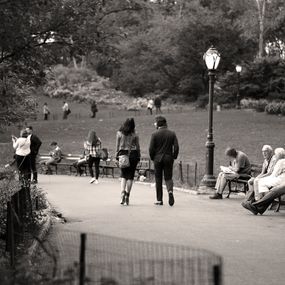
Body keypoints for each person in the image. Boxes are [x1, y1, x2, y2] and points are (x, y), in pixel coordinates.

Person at [149, 116, 179, 206]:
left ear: (158, 124)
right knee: (168, 177)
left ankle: (159, 200)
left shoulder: (154, 134)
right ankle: (170, 191)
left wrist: (152, 157)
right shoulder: (172, 133)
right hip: (168, 158)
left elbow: (151, 148)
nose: (154, 124)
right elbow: (176, 147)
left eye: (155, 122)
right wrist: (174, 156)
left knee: (158, 178)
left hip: (157, 159)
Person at [116, 118, 141, 205]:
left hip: (122, 154)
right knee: (130, 176)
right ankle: (127, 195)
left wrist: (117, 155)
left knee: (123, 175)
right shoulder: (135, 134)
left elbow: (117, 146)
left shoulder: (119, 133)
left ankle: (122, 192)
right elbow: (138, 146)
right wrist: (139, 156)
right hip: (133, 154)